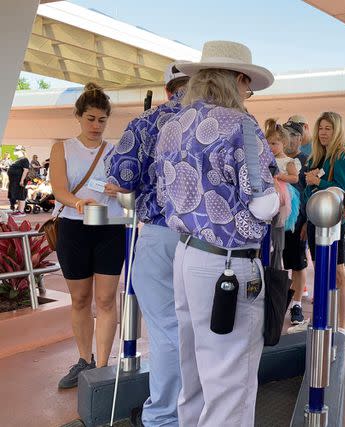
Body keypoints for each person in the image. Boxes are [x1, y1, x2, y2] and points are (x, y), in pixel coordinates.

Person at [155, 40, 278, 427]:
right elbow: (261, 203)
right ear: (238, 80)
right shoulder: (241, 125)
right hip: (228, 263)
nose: (248, 94)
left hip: (186, 255)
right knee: (230, 385)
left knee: (193, 377)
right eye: (248, 87)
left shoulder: (172, 124)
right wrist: (282, 195)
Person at [104, 62, 190, 426]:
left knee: (168, 330)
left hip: (158, 233)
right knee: (199, 329)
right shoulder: (230, 120)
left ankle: (164, 416)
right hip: (211, 243)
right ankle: (194, 409)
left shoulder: (147, 121)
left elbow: (121, 177)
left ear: (168, 89)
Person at [50, 83, 125, 389]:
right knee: (80, 299)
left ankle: (103, 368)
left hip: (110, 226)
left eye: (102, 120)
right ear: (78, 116)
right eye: (91, 118)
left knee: (106, 299)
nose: (96, 126)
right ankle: (84, 360)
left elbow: (129, 190)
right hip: (74, 227)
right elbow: (59, 190)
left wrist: (117, 189)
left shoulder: (117, 150)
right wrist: (79, 202)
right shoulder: (62, 148)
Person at [302, 112, 345, 344]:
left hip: (333, 225)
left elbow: (344, 190)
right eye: (321, 128)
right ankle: (322, 321)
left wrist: (318, 182)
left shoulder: (341, 157)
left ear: (337, 131)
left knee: (339, 271)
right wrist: (309, 183)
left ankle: (343, 328)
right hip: (314, 222)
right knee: (321, 270)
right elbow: (307, 194)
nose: (323, 132)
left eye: (328, 128)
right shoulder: (316, 157)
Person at [282, 119, 309, 325]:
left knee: (297, 263)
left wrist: (308, 221)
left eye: (292, 135)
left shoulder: (307, 161)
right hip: (276, 219)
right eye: (285, 134)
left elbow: (309, 192)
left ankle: (297, 304)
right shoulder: (275, 158)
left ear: (300, 138)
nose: (288, 139)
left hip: (298, 221)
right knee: (276, 262)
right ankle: (279, 300)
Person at [264, 118, 300, 270]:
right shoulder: (265, 159)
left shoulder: (288, 161)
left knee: (277, 229)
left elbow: (294, 177)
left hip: (282, 195)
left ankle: (276, 266)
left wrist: (278, 176)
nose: (271, 147)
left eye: (275, 144)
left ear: (283, 144)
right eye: (269, 143)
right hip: (268, 194)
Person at [7, 146, 29, 216]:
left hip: (19, 181)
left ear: (21, 151)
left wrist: (22, 180)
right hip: (14, 181)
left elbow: (26, 170)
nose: (15, 151)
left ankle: (21, 211)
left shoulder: (24, 159)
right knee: (17, 195)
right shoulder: (18, 159)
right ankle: (19, 210)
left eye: (16, 150)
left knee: (21, 195)